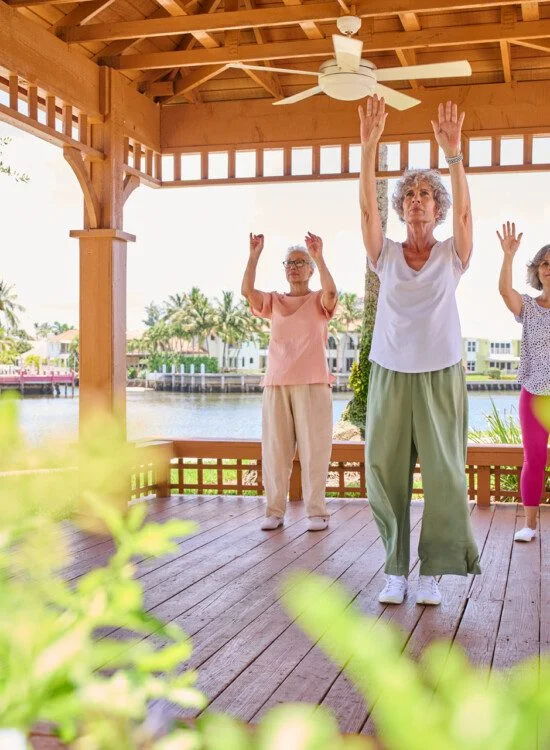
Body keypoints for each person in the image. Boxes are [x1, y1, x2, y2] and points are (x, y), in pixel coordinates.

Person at [359, 96, 481, 606]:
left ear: (438, 209)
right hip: (390, 372)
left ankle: (432, 569)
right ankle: (395, 570)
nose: (416, 199)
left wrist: (453, 156)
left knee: (446, 474)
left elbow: (470, 211)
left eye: (427, 195)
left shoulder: (453, 253)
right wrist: (368, 148)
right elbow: (367, 207)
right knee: (384, 474)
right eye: (410, 193)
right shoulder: (383, 253)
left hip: (440, 375)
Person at [241, 232, 338, 532]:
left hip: (313, 383)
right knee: (275, 451)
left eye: (300, 262)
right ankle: (274, 511)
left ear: (310, 269)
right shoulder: (274, 301)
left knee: (315, 451)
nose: (294, 267)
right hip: (277, 384)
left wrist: (319, 256)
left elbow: (332, 292)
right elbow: (247, 291)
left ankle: (317, 512)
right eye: (289, 263)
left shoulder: (319, 300)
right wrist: (254, 255)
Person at [497, 221, 550, 542]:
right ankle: (529, 524)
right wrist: (508, 256)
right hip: (534, 394)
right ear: (538, 270)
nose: (549, 269)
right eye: (545, 263)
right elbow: (505, 291)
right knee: (535, 458)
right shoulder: (529, 307)